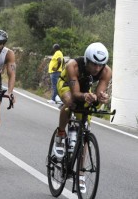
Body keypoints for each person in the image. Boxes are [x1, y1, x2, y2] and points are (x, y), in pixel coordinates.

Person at [53, 42, 111, 193]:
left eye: (100, 65)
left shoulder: (106, 71)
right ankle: (60, 134)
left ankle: (80, 174)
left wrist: (101, 98)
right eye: (94, 64)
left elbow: (98, 94)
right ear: (87, 60)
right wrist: (86, 95)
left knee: (85, 129)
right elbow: (76, 93)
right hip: (67, 85)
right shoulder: (73, 66)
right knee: (71, 103)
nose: (97, 68)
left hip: (85, 90)